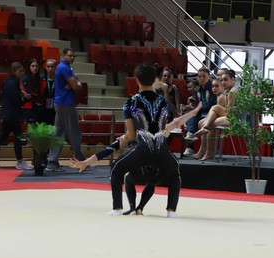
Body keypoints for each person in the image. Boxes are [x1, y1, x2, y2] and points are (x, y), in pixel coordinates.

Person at [70, 63, 201, 217]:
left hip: (142, 148)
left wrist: (89, 160)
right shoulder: (164, 102)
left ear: (137, 81)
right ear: (155, 80)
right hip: (162, 150)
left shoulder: (131, 102)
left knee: (117, 170)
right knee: (175, 175)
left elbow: (131, 136)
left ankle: (117, 208)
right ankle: (171, 211)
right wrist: (193, 113)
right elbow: (172, 125)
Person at [0, 61, 33, 170]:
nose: (22, 73)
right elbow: (17, 101)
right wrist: (26, 99)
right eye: (20, 71)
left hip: (10, 114)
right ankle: (20, 162)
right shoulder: (11, 84)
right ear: (14, 71)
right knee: (19, 136)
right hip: (11, 115)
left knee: (3, 136)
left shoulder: (12, 82)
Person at [44, 48, 85, 174]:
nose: (72, 58)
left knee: (59, 133)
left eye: (74, 56)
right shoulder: (64, 68)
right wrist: (77, 83)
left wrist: (74, 83)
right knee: (74, 133)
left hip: (60, 102)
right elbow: (76, 86)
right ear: (63, 55)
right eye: (70, 55)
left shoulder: (64, 67)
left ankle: (52, 162)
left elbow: (73, 83)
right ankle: (81, 161)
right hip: (66, 103)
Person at [182, 67, 216, 157]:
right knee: (190, 115)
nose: (201, 78)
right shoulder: (197, 89)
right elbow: (197, 104)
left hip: (211, 114)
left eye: (204, 76)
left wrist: (195, 109)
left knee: (192, 115)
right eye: (199, 77)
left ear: (209, 76)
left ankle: (190, 144)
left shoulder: (213, 88)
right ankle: (190, 138)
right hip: (201, 113)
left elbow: (211, 105)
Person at [193, 77, 224, 160]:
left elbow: (219, 113)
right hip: (220, 117)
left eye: (217, 86)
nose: (214, 88)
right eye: (213, 86)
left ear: (222, 87)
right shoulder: (218, 96)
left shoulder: (222, 97)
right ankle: (203, 149)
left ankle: (209, 152)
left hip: (224, 118)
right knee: (201, 123)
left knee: (209, 125)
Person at [21, 58, 44, 124]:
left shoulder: (41, 78)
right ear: (29, 67)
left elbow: (40, 91)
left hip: (38, 104)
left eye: (36, 66)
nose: (35, 68)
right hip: (28, 105)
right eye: (33, 66)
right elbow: (27, 92)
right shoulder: (24, 78)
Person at [41, 58, 56, 125]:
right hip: (43, 107)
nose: (50, 68)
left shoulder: (59, 79)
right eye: (48, 67)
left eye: (52, 67)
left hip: (55, 107)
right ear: (45, 67)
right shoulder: (41, 78)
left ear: (55, 67)